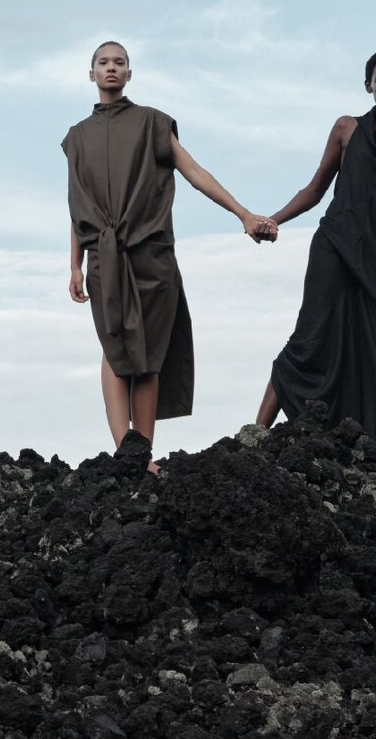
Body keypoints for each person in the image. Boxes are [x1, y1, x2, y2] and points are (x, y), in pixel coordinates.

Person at [65, 41, 273, 465]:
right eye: (103, 62)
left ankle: (143, 452)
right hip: (104, 257)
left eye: (119, 62)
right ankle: (125, 454)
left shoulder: (152, 123)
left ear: (129, 74)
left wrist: (243, 214)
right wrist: (75, 265)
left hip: (151, 255)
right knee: (114, 346)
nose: (111, 68)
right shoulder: (77, 137)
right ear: (91, 74)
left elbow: (194, 171)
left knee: (149, 353)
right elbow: (78, 206)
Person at [251, 48, 376, 453]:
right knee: (310, 340)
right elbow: (315, 190)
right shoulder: (347, 129)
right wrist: (273, 219)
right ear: (368, 86)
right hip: (336, 248)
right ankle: (255, 435)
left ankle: (373, 440)